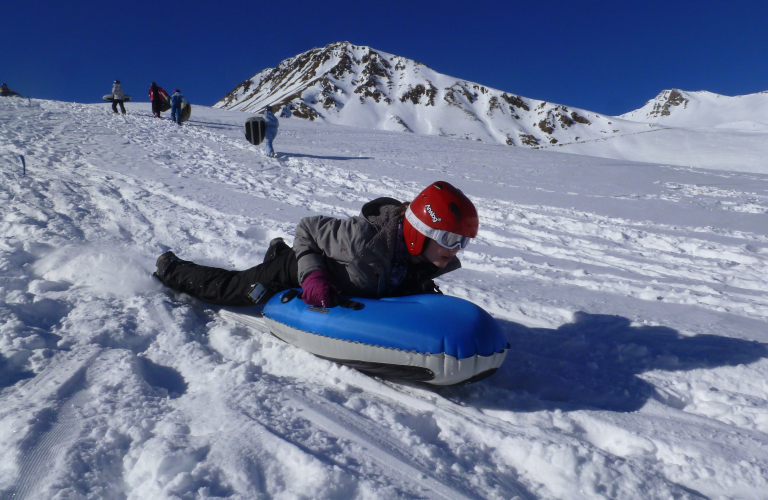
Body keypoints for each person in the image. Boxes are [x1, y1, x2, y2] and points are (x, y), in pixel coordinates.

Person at [153, 181, 479, 308]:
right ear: (419, 232)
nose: (456, 249)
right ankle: (171, 268)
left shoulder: (422, 260)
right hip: (302, 269)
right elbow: (307, 228)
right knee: (232, 290)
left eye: (462, 241)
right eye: (450, 239)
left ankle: (277, 249)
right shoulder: (361, 239)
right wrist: (312, 276)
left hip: (337, 270)